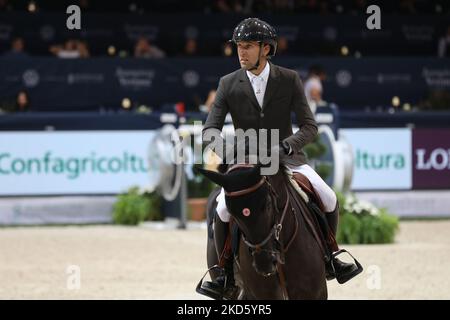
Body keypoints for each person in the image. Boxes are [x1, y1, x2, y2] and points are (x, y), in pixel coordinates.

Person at [200, 17, 362, 299]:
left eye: (248, 46)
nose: (241, 52)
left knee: (328, 196)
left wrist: (287, 147)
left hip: (288, 159)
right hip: (247, 162)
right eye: (239, 46)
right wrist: (231, 155)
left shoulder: (288, 79)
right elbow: (209, 130)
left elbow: (310, 126)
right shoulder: (228, 83)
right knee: (223, 208)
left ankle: (330, 256)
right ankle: (223, 272)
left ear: (266, 49)